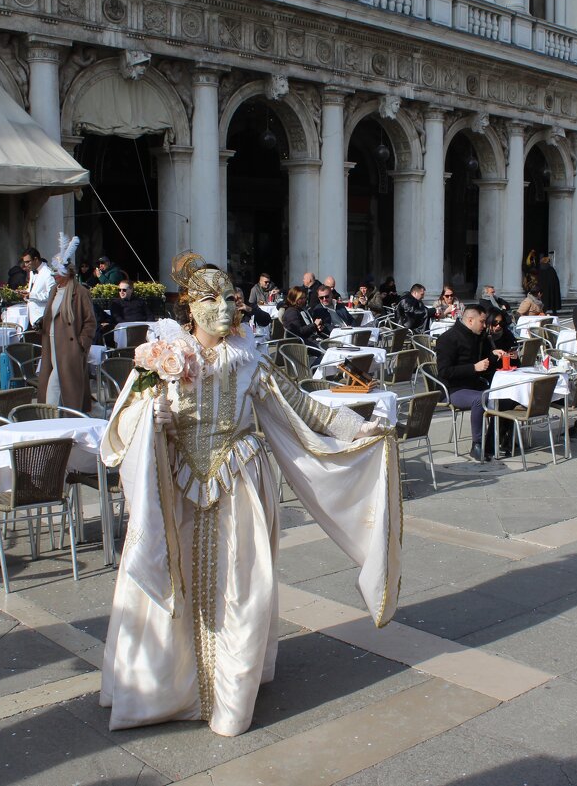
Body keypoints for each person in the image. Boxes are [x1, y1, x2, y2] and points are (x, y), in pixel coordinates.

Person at [97, 253, 398, 737]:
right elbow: (118, 427)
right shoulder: (159, 359)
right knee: (172, 583)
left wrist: (363, 428)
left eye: (229, 298)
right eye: (209, 299)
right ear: (188, 309)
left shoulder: (249, 363)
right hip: (175, 486)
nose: (222, 308)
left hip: (239, 481)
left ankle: (230, 690)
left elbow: (304, 409)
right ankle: (164, 687)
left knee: (241, 587)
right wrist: (151, 422)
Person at [435, 304, 510, 462]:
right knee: (480, 399)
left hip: (473, 384)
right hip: (452, 389)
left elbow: (483, 364)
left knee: (504, 395)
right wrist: (473, 368)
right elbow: (444, 371)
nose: (485, 325)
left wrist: (493, 355)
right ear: (470, 320)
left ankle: (495, 441)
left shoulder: (477, 336)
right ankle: (477, 444)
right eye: (482, 322)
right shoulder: (448, 339)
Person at [38, 234, 96, 410]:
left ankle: (50, 419)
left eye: (57, 273)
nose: (55, 276)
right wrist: (41, 323)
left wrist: (81, 344)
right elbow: (51, 316)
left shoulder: (80, 292)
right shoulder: (54, 291)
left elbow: (90, 321)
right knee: (54, 383)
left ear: (66, 273)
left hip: (69, 348)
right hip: (52, 343)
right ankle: (58, 419)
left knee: (56, 387)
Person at [23, 247, 55, 326]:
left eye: (28, 262)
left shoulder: (48, 273)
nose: (25, 265)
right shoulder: (32, 272)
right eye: (25, 262)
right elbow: (34, 289)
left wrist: (31, 295)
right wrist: (26, 293)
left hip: (43, 317)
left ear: (36, 259)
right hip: (32, 317)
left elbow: (51, 296)